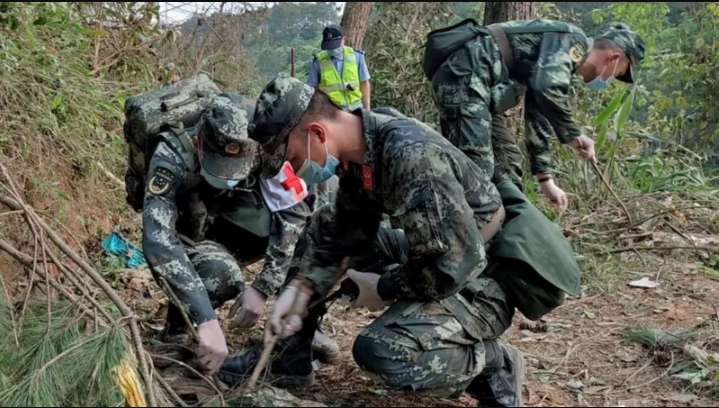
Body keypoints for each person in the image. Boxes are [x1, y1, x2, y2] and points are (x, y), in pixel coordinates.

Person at [219, 74, 581, 407]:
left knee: (383, 351)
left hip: (485, 275)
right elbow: (346, 231)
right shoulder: (361, 150)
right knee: (323, 225)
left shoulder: (409, 155)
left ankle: (493, 362)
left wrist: (383, 287)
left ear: (317, 133)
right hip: (439, 250)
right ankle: (289, 357)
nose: (294, 170)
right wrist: (300, 291)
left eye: (292, 157)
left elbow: (451, 267)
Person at [142, 93, 338, 376]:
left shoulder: (263, 141)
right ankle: (180, 325)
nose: (229, 176)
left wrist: (262, 288)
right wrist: (206, 318)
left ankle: (297, 331)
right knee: (218, 273)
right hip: (188, 229)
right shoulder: (171, 156)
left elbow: (292, 213)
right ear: (199, 144)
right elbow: (158, 240)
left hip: (231, 219)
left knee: (322, 210)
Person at [425, 21, 645, 212]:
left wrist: (545, 178)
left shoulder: (561, 62)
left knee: (509, 161)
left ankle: (507, 233)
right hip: (465, 79)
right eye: (619, 72)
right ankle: (456, 240)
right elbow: (545, 88)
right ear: (614, 58)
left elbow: (538, 112)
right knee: (477, 173)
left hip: (480, 90)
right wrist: (574, 134)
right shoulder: (573, 40)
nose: (613, 78)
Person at [308, 23, 371, 111]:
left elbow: (364, 83)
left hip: (356, 109)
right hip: (331, 112)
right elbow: (312, 89)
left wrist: (367, 110)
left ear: (344, 39)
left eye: (335, 45)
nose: (332, 49)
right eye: (329, 46)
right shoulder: (318, 61)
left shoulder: (356, 56)